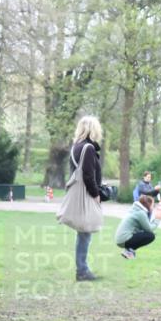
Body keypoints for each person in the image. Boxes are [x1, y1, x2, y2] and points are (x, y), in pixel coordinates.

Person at [69, 116, 104, 281]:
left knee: (83, 233)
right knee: (85, 233)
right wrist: (96, 194)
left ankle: (82, 269)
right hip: (87, 195)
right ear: (93, 129)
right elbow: (88, 175)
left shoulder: (75, 147)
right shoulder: (88, 148)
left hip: (79, 194)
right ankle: (82, 270)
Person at [115, 194, 161, 259]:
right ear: (148, 205)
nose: (153, 207)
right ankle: (129, 251)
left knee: (149, 234)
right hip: (124, 240)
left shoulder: (136, 210)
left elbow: (146, 227)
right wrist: (158, 219)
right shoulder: (141, 213)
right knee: (151, 236)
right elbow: (149, 229)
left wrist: (155, 220)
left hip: (120, 240)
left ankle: (128, 251)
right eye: (153, 205)